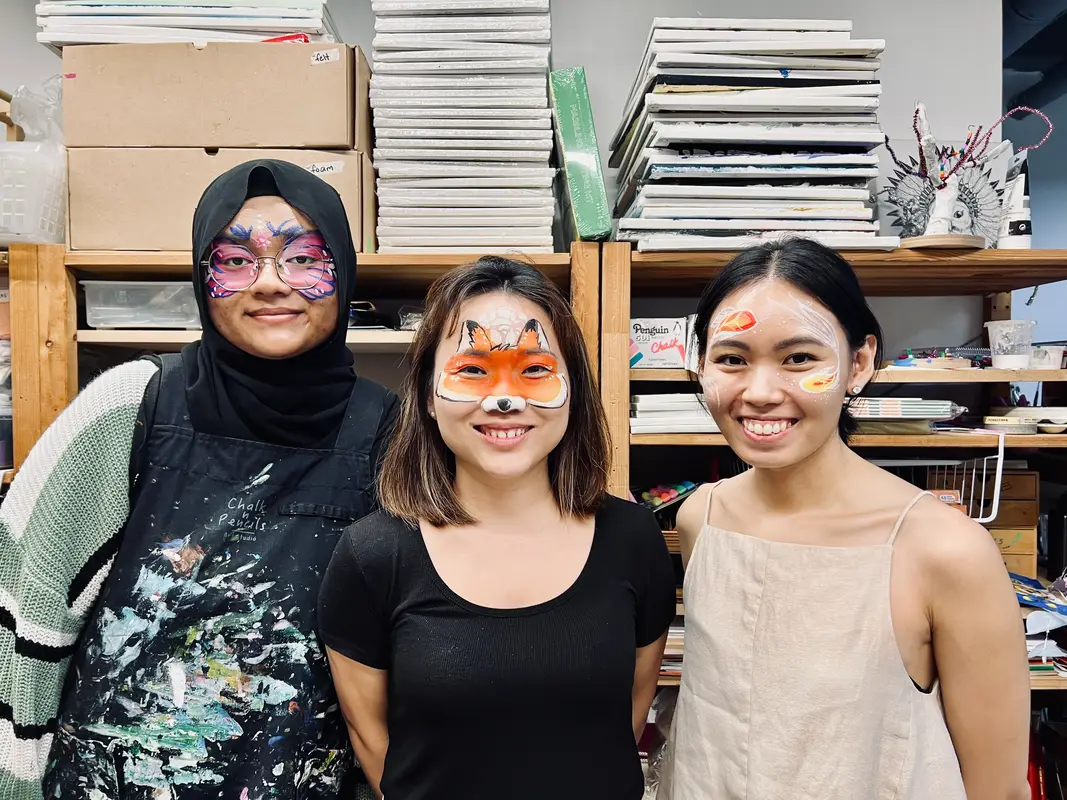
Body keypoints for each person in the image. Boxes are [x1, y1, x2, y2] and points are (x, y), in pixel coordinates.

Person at [0, 160, 397, 799]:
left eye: (304, 257)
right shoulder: (129, 407)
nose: (270, 283)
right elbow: (25, 611)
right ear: (201, 276)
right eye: (236, 260)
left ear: (343, 271)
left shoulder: (390, 435)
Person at [659, 239, 1030, 800]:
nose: (760, 393)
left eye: (799, 358)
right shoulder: (701, 517)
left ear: (858, 364)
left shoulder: (943, 549)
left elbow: (998, 789)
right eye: (732, 359)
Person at [318, 256, 676, 800]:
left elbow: (626, 718)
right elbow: (372, 740)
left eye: (535, 370)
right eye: (472, 369)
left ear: (573, 390)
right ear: (429, 398)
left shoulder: (632, 538)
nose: (504, 399)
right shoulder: (373, 554)